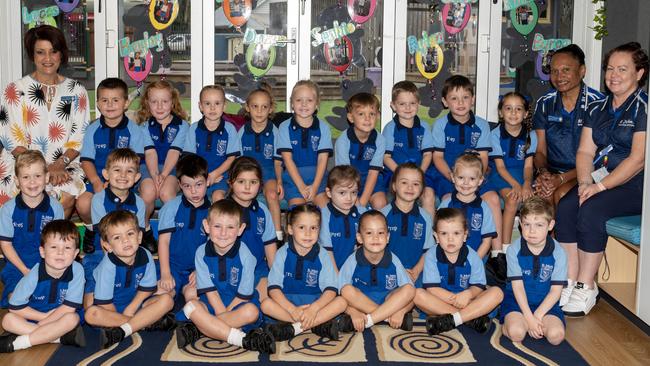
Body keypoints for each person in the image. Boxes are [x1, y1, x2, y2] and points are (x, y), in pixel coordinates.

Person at [556, 42, 648, 316]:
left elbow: (638, 159)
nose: (614, 75)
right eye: (610, 69)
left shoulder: (644, 108)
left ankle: (587, 285)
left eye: (623, 69)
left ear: (639, 73)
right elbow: (585, 150)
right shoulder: (597, 107)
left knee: (592, 210)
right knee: (567, 207)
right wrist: (585, 183)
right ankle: (570, 280)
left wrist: (599, 187)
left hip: (635, 185)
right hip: (598, 180)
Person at [0, 25, 90, 214]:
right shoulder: (14, 91)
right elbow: (12, 141)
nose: (47, 59)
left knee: (64, 198)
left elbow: (79, 137)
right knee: (27, 194)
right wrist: (42, 170)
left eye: (53, 52)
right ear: (32, 55)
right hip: (22, 166)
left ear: (61, 55)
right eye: (40, 52)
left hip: (64, 164)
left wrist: (58, 165)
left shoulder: (77, 91)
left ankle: (52, 244)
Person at [174, 200, 276, 354]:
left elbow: (244, 295)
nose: (223, 233)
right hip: (212, 301)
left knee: (252, 312)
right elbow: (210, 292)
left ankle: (200, 329)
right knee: (192, 305)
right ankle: (244, 339)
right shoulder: (201, 253)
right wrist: (223, 314)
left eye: (230, 227)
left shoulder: (247, 256)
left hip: (238, 303)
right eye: (217, 226)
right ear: (207, 226)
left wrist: (221, 316)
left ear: (240, 229)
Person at [431, 75, 503, 252]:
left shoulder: (482, 125)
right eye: (454, 98)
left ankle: (497, 254)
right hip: (448, 175)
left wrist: (477, 180)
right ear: (445, 102)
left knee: (493, 199)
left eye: (465, 97)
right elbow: (437, 157)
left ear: (473, 99)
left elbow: (484, 158)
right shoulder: (440, 125)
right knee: (448, 200)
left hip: (475, 176)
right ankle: (442, 248)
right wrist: (452, 178)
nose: (460, 103)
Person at [84, 210, 175, 349]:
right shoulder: (108, 266)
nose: (125, 240)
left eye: (130, 234)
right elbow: (104, 304)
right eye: (117, 238)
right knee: (91, 314)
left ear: (139, 237)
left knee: (168, 300)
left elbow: (146, 289)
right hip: (111, 309)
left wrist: (131, 308)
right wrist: (121, 316)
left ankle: (123, 330)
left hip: (135, 304)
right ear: (107, 245)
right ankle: (144, 323)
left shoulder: (145, 255)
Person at [76, 78, 147, 253]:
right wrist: (96, 182)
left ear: (126, 103)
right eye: (104, 100)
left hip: (125, 180)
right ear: (98, 104)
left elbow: (137, 163)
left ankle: (140, 233)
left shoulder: (134, 130)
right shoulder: (93, 129)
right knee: (84, 203)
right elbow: (86, 160)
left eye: (116, 100)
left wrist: (120, 181)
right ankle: (93, 230)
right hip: (99, 179)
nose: (110, 105)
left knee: (141, 199)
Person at [261, 204, 346, 342]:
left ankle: (295, 328)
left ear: (319, 230)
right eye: (301, 227)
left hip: (316, 305)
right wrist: (292, 310)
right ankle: (315, 325)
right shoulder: (282, 253)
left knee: (342, 302)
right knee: (265, 304)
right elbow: (273, 289)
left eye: (313, 228)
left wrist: (313, 309)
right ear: (290, 229)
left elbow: (331, 289)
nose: (308, 233)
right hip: (288, 305)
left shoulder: (323, 255)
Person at [533, 44, 604, 205]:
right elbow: (540, 151)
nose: (559, 76)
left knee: (563, 194)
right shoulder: (545, 103)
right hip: (552, 172)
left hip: (589, 173)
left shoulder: (599, 104)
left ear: (582, 71)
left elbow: (599, 158)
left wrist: (562, 178)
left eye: (566, 70)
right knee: (542, 192)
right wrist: (544, 173)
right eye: (554, 71)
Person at [0, 220, 86, 353]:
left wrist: (44, 324)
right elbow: (15, 307)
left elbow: (69, 308)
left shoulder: (78, 270)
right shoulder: (34, 274)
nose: (60, 252)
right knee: (7, 320)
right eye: (53, 247)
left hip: (62, 316)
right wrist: (43, 318)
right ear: (42, 252)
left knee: (72, 318)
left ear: (75, 254)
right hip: (36, 316)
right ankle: (59, 338)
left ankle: (19, 343)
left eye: (67, 248)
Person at [415, 208, 503, 336]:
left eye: (456, 233)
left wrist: (467, 294)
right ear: (436, 236)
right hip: (441, 301)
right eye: (444, 234)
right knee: (417, 294)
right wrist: (456, 300)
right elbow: (432, 289)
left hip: (468, 300)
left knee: (497, 293)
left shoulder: (473, 257)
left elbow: (478, 286)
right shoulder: (431, 255)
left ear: (465, 235)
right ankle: (470, 319)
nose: (450, 239)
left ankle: (452, 320)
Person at [82, 148, 147, 307]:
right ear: (106, 174)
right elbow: (105, 238)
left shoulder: (139, 203)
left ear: (137, 177)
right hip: (101, 254)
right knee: (90, 303)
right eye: (117, 170)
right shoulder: (98, 200)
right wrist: (111, 267)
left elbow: (138, 238)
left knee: (151, 292)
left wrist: (130, 262)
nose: (123, 175)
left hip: (130, 256)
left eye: (129, 171)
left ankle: (127, 317)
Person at [0, 151, 64, 307]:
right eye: (26, 177)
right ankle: (28, 321)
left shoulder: (55, 208)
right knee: (14, 298)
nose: (32, 182)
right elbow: (6, 245)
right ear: (17, 181)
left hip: (47, 262)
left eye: (37, 176)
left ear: (47, 177)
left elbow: (58, 243)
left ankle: (45, 323)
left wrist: (48, 267)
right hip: (17, 264)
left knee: (55, 296)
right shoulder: (8, 210)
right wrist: (25, 271)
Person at [502, 197, 567, 345]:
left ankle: (528, 323)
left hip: (545, 303)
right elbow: (517, 287)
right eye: (527, 224)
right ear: (520, 223)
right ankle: (511, 323)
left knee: (556, 337)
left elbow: (556, 291)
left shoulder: (559, 252)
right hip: (517, 302)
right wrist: (529, 318)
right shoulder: (513, 249)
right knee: (517, 333)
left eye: (539, 225)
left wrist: (536, 316)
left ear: (550, 225)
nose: (532, 231)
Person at [339, 210, 415, 332]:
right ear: (359, 237)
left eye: (381, 232)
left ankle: (369, 320)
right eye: (369, 233)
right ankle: (385, 317)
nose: (376, 237)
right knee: (346, 290)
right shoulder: (352, 260)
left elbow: (410, 295)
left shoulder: (393, 259)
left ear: (388, 237)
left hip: (389, 301)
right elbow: (340, 294)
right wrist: (353, 312)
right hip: (361, 303)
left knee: (410, 289)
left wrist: (402, 311)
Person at [138, 80, 190, 254]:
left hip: (173, 166)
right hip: (149, 166)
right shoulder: (145, 127)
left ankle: (171, 232)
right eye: (154, 102)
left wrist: (164, 174)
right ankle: (144, 231)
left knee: (167, 193)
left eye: (165, 101)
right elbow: (150, 153)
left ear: (173, 102)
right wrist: (154, 175)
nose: (159, 106)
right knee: (148, 193)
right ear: (147, 103)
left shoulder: (182, 126)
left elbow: (174, 152)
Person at [157, 154, 210, 304]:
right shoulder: (171, 207)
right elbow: (164, 242)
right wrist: (166, 273)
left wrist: (199, 270)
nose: (193, 191)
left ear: (207, 181)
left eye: (199, 185)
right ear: (180, 185)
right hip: (172, 266)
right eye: (187, 186)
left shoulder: (213, 211)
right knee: (163, 295)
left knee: (193, 297)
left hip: (196, 268)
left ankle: (188, 324)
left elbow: (212, 246)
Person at [379, 81, 436, 216]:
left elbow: (428, 155)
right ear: (393, 106)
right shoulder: (390, 128)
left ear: (418, 104)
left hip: (422, 172)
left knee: (428, 195)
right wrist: (402, 174)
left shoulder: (424, 127)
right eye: (402, 104)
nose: (408, 107)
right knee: (392, 198)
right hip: (395, 173)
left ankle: (430, 233)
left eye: (412, 103)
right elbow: (386, 158)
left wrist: (419, 174)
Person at [226, 156, 278, 301]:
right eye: (241, 182)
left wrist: (275, 275)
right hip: (230, 270)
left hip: (258, 270)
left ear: (260, 185)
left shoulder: (263, 210)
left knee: (271, 296)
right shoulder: (222, 210)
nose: (247, 187)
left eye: (253, 182)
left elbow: (270, 246)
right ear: (230, 183)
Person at [489, 92, 537, 245]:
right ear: (501, 112)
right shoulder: (495, 134)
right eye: (508, 108)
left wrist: (527, 184)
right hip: (500, 175)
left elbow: (529, 166)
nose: (513, 113)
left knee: (532, 200)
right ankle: (505, 248)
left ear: (526, 113)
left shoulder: (531, 135)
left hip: (522, 175)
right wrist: (516, 186)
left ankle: (532, 244)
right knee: (512, 200)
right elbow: (500, 167)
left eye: (518, 109)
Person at [238, 86, 284, 240]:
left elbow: (278, 161)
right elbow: (236, 160)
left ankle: (277, 235)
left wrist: (279, 181)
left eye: (264, 107)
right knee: (240, 196)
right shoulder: (242, 131)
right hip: (247, 172)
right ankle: (240, 233)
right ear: (247, 108)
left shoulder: (275, 132)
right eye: (255, 106)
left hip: (268, 172)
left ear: (270, 109)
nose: (259, 111)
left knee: (271, 194)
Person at [277, 80, 332, 207]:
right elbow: (288, 160)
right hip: (293, 179)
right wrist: (301, 187)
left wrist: (315, 186)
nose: (304, 104)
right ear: (291, 103)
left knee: (325, 209)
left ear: (317, 103)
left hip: (318, 179)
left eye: (309, 100)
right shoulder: (284, 127)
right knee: (299, 213)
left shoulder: (323, 128)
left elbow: (322, 160)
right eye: (298, 100)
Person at [380, 163, 434, 286]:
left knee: (423, 294)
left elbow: (428, 251)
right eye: (404, 182)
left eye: (416, 184)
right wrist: (399, 271)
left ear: (421, 189)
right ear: (394, 186)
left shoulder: (425, 217)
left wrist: (415, 271)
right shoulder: (382, 216)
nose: (410, 187)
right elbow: (377, 251)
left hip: (416, 273)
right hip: (388, 271)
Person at [184, 85, 241, 202]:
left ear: (224, 106)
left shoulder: (229, 129)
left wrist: (214, 175)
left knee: (218, 197)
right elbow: (189, 158)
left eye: (217, 103)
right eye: (207, 103)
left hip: (221, 176)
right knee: (195, 198)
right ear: (200, 106)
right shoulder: (194, 128)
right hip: (197, 176)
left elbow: (231, 159)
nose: (212, 108)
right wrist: (203, 177)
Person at [438, 153, 497, 259]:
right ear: (453, 177)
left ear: (480, 181)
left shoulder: (484, 208)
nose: (466, 183)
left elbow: (487, 242)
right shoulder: (446, 204)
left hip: (477, 259)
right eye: (461, 177)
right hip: (447, 259)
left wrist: (475, 262)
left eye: (472, 179)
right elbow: (438, 235)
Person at [334, 92, 386, 209]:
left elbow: (374, 173)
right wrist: (353, 196)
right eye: (361, 114)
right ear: (351, 117)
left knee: (380, 203)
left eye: (372, 114)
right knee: (346, 202)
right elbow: (344, 174)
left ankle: (376, 227)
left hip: (372, 180)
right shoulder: (343, 140)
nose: (367, 119)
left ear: (378, 116)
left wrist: (362, 202)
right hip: (347, 180)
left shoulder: (380, 140)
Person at [319, 165, 367, 270]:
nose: (349, 198)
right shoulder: (323, 217)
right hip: (330, 271)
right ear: (329, 193)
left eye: (354, 192)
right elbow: (327, 253)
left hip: (357, 271)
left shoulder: (364, 214)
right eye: (342, 193)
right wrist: (336, 279)